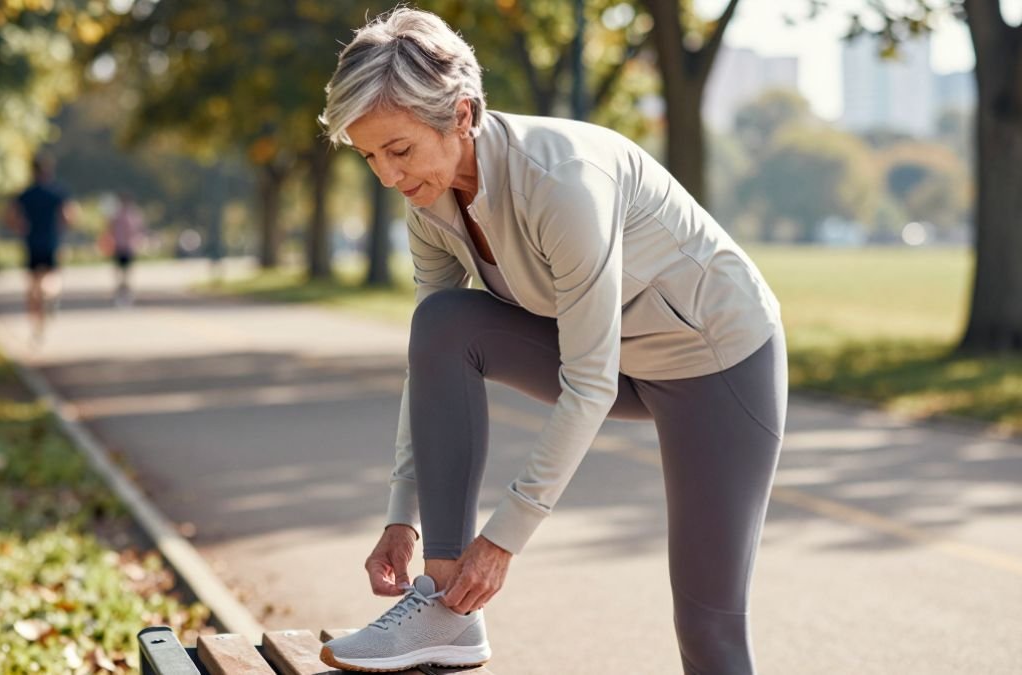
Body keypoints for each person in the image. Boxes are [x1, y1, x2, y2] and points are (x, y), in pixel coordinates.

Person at [316, 8, 785, 675]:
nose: (389, 176)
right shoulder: (430, 203)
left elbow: (589, 383)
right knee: (443, 324)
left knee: (708, 624)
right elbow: (431, 363)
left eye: (399, 150)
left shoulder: (564, 182)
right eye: (370, 157)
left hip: (717, 361)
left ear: (461, 115)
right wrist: (402, 516)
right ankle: (447, 608)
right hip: (611, 354)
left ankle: (460, 597)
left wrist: (503, 538)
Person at [6, 155, 75, 342]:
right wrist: (59, 229)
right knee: (51, 279)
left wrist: (22, 228)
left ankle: (37, 327)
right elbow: (69, 217)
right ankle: (49, 296)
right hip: (51, 243)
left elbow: (11, 218)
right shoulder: (58, 193)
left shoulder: (25, 194)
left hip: (31, 243)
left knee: (32, 287)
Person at [105, 192, 145, 306]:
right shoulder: (117, 215)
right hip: (119, 247)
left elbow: (138, 231)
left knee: (126, 273)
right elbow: (110, 229)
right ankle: (120, 293)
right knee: (120, 273)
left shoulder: (133, 215)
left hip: (128, 247)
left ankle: (126, 293)